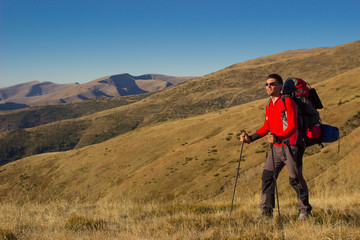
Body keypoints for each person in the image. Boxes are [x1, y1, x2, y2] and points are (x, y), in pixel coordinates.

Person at [240, 73, 312, 220]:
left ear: (280, 86)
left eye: (272, 84)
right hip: (276, 148)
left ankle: (305, 212)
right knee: (267, 177)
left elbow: (293, 126)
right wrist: (251, 138)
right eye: (266, 84)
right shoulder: (269, 103)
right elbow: (266, 127)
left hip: (291, 146)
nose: (268, 87)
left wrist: (279, 137)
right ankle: (266, 212)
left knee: (295, 179)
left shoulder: (288, 101)